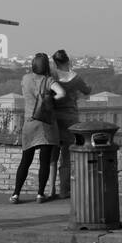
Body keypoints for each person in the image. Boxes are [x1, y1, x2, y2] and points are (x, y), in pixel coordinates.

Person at [11, 53, 67, 204]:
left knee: (25, 161)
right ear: (46, 66)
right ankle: (40, 194)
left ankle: (16, 194)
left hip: (30, 122)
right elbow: (62, 93)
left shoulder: (25, 79)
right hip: (46, 123)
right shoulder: (49, 80)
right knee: (44, 161)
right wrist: (50, 100)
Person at [48, 50, 92, 199]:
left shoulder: (52, 77)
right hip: (71, 119)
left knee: (53, 156)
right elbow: (87, 91)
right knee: (66, 157)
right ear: (68, 61)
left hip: (54, 118)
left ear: (55, 63)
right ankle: (64, 190)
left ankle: (51, 189)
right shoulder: (76, 78)